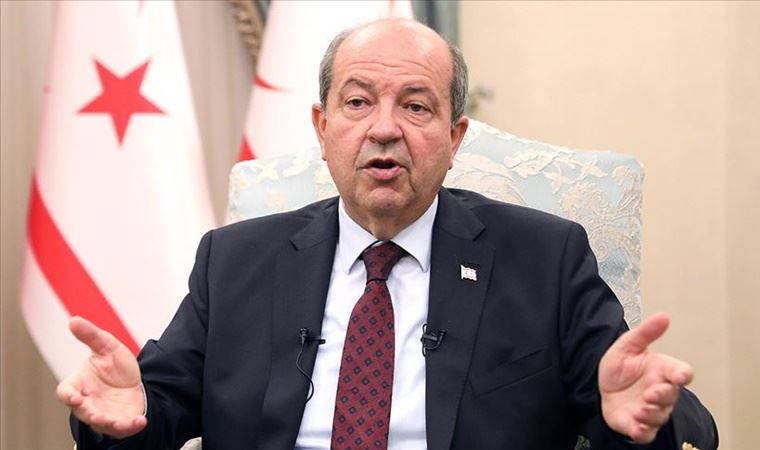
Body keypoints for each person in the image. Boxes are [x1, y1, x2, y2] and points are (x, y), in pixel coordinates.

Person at [57, 19, 717, 450]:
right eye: (357, 101)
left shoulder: (545, 258)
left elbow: (655, 415)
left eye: (416, 106)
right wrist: (124, 413)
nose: (383, 129)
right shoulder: (234, 261)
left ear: (454, 138)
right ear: (322, 129)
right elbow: (153, 411)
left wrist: (645, 419)